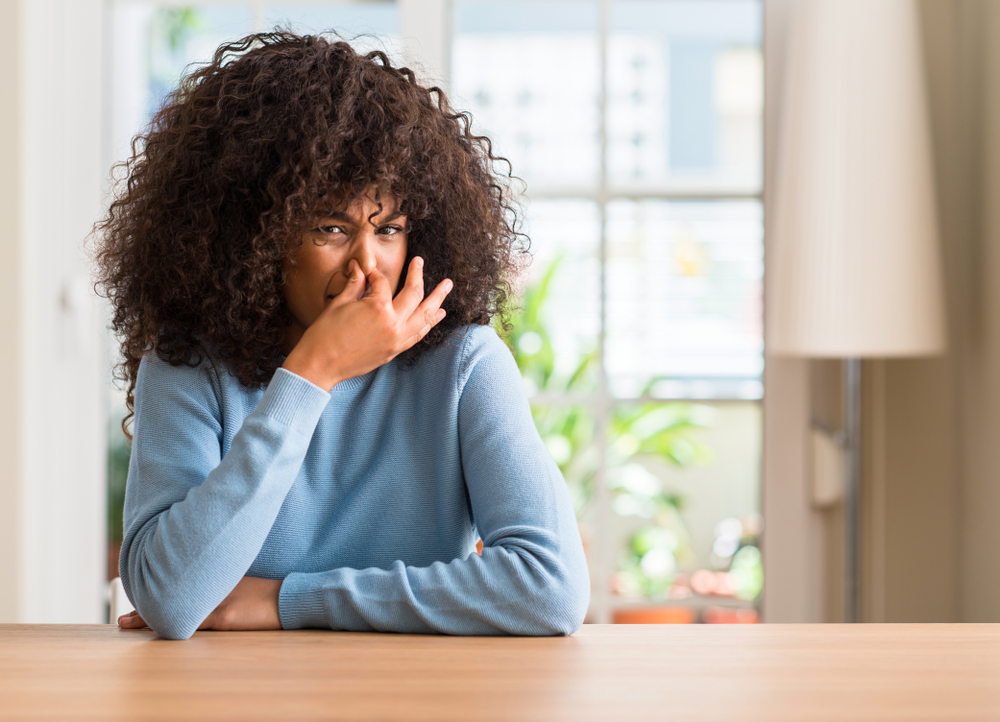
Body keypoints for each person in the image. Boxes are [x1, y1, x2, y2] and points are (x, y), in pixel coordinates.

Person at [93, 31, 589, 640]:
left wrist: (285, 601)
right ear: (255, 239)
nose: (369, 267)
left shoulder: (465, 363)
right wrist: (311, 375)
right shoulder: (189, 364)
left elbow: (550, 590)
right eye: (330, 228)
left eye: (390, 229)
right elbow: (173, 600)